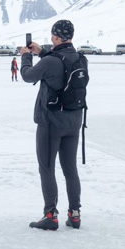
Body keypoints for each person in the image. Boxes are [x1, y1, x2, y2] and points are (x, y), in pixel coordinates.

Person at [20, 20, 83, 230]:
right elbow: (61, 64)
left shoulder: (51, 61)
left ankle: (50, 215)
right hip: (74, 123)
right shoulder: (81, 59)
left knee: (47, 168)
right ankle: (75, 214)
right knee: (70, 169)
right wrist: (43, 51)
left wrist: (26, 56)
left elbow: (28, 76)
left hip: (51, 123)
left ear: (55, 37)